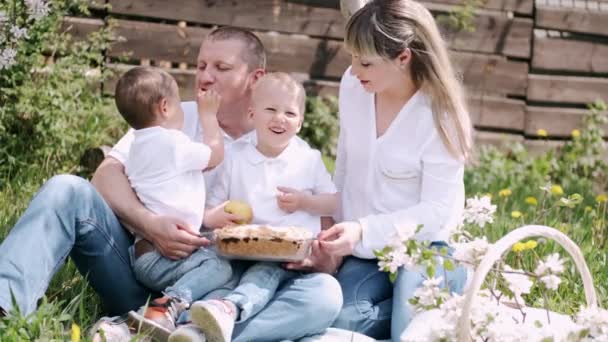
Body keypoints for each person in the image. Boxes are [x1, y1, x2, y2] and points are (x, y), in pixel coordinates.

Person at [0, 26, 342, 342]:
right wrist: (150, 224)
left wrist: (323, 260)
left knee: (324, 295)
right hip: (144, 272)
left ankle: (163, 331)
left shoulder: (281, 137)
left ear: (256, 79)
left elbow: (323, 224)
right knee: (65, 189)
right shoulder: (174, 115)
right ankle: (4, 307)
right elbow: (106, 175)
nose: (205, 76)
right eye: (201, 65)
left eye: (221, 68)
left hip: (222, 295)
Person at [312, 0, 472, 340]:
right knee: (343, 322)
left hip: (427, 245)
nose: (354, 70)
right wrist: (331, 231)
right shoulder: (354, 86)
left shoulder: (441, 117)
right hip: (366, 250)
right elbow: (344, 166)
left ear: (403, 57)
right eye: (352, 56)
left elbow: (437, 211)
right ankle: (449, 310)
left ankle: (454, 294)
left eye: (365, 61)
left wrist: (362, 229)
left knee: (408, 328)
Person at [177, 72, 338, 342]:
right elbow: (213, 207)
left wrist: (305, 202)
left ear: (300, 122)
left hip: (288, 258)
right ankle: (183, 315)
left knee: (269, 273)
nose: (280, 118)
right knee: (221, 275)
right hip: (239, 252)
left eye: (290, 113)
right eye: (271, 110)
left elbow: (334, 201)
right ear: (252, 114)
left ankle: (229, 310)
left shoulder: (308, 159)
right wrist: (217, 217)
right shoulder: (236, 156)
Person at [111, 66, 232, 335]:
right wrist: (208, 116)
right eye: (178, 102)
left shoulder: (136, 147)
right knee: (220, 268)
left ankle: (176, 324)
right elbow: (214, 156)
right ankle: (166, 305)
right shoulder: (172, 143)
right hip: (161, 258)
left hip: (145, 253)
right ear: (165, 107)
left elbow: (170, 197)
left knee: (215, 274)